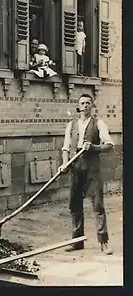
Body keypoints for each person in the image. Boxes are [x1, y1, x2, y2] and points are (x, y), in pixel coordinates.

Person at [59, 93, 114, 255]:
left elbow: (109, 145)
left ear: (92, 106)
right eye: (82, 103)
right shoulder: (71, 125)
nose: (85, 106)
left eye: (88, 103)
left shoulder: (99, 124)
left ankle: (104, 242)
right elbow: (66, 148)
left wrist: (95, 147)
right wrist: (64, 163)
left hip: (92, 170)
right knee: (74, 205)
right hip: (76, 169)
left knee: (98, 205)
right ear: (78, 106)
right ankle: (77, 241)